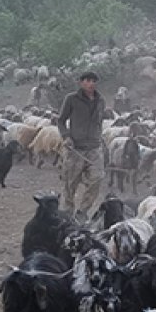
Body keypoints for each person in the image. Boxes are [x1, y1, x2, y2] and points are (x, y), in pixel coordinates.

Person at [57, 71, 106, 222]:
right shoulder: (71, 99)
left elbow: (99, 121)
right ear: (81, 82)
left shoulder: (100, 100)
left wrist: (99, 136)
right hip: (75, 148)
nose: (91, 83)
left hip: (94, 147)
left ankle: (83, 211)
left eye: (93, 81)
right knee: (70, 183)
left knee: (96, 179)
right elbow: (61, 120)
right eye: (88, 80)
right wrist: (66, 136)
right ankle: (68, 212)